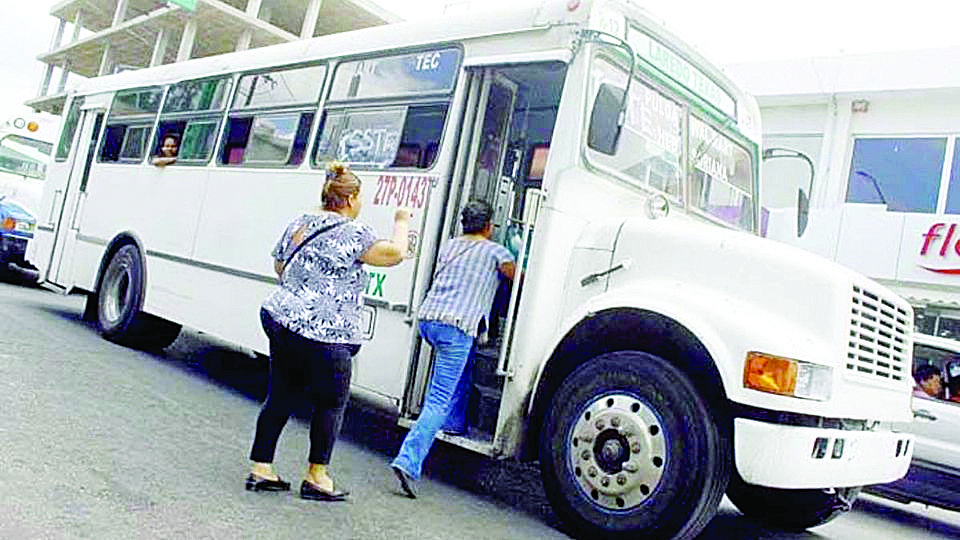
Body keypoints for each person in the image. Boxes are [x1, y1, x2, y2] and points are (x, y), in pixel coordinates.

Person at [247, 161, 411, 501]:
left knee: (280, 395)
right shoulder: (356, 232)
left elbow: (280, 264)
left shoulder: (301, 222)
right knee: (331, 403)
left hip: (281, 319)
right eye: (360, 197)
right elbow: (395, 254)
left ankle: (261, 468)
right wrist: (402, 221)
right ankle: (317, 476)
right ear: (350, 198)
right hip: (327, 333)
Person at [390, 200, 515, 499]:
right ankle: (407, 461)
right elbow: (521, 279)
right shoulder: (497, 252)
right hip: (456, 326)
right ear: (488, 226)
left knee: (465, 364)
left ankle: (455, 423)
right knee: (438, 399)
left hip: (430, 320)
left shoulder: (449, 246)